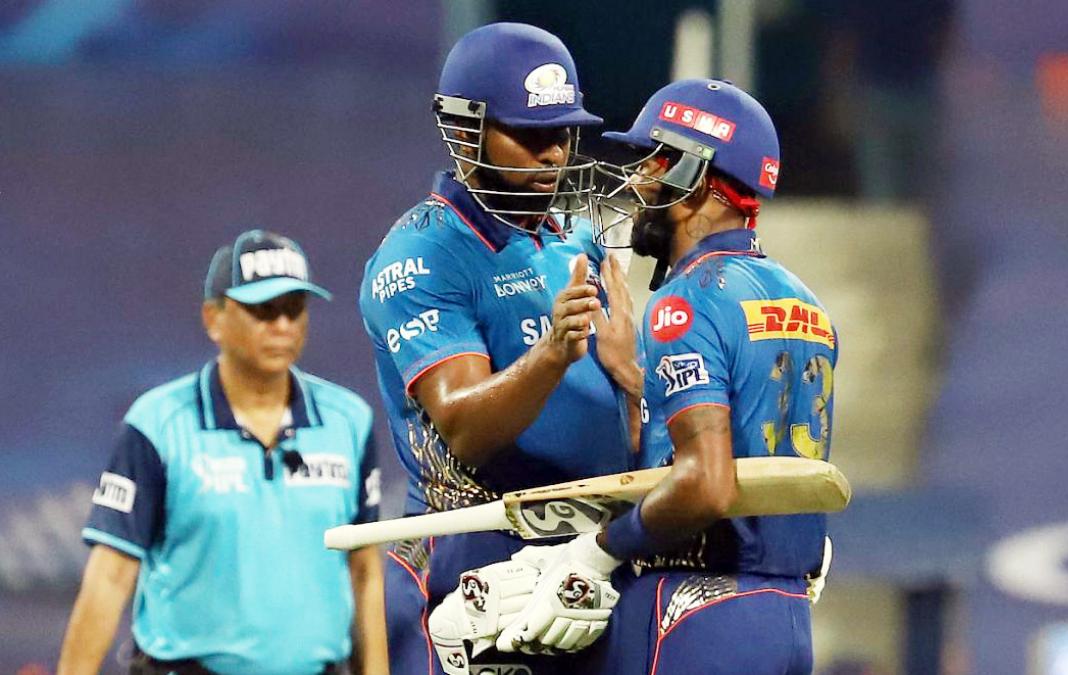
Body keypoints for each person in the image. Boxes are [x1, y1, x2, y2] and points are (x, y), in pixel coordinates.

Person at [494, 79, 837, 674]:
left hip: (695, 612)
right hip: (786, 612)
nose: (639, 181)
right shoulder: (807, 303)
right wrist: (633, 381)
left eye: (655, 160)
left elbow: (705, 484)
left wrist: (596, 554)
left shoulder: (686, 302)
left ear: (697, 176)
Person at [357, 22, 640, 675]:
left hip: (591, 554)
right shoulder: (421, 254)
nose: (553, 155)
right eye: (530, 134)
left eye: (563, 133)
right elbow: (462, 428)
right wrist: (554, 354)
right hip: (478, 556)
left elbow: (622, 425)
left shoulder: (576, 240)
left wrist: (636, 378)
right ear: (464, 130)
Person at [58, 230, 388, 675]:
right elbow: (110, 576)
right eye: (262, 310)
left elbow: (365, 572)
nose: (283, 325)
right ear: (213, 319)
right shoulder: (158, 423)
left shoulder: (349, 420)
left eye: (294, 309)